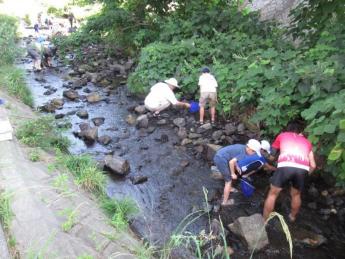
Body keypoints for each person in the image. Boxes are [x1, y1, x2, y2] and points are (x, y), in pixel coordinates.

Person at [263, 122, 316, 222]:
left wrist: (265, 156)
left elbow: (272, 157)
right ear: (300, 132)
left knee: (272, 194)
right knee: (296, 195)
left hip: (285, 165)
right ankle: (292, 217)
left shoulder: (282, 135)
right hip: (302, 168)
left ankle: (264, 221)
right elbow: (313, 165)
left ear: (287, 129)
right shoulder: (307, 142)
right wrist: (305, 175)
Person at [213, 139, 262, 206]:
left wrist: (236, 166)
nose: (254, 154)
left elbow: (233, 156)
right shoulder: (243, 152)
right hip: (221, 159)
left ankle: (229, 188)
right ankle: (225, 202)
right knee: (229, 181)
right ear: (250, 149)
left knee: (228, 174)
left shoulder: (242, 147)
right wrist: (233, 173)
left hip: (222, 156)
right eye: (254, 152)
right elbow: (231, 162)